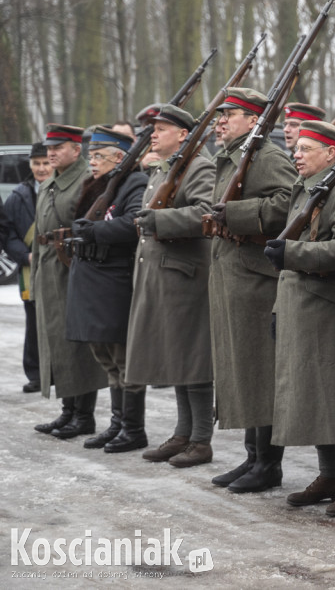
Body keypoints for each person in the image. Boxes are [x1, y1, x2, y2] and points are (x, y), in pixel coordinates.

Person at [264, 120, 335, 517]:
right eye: (298, 148)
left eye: (306, 148)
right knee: (312, 397)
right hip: (300, 307)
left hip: (332, 308)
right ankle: (331, 475)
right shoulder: (306, 188)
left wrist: (293, 254)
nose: (296, 153)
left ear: (332, 153)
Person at [206, 87, 293, 493]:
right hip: (232, 274)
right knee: (241, 368)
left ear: (254, 120)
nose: (221, 121)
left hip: (255, 277)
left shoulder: (268, 156)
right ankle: (252, 457)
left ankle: (268, 463)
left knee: (259, 371)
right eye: (221, 115)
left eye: (231, 114)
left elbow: (289, 204)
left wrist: (237, 214)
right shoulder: (233, 156)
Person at [127, 104, 216, 468]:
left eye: (161, 129)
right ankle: (183, 433)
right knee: (177, 355)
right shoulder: (167, 167)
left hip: (186, 275)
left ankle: (200, 440)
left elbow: (205, 212)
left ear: (183, 134)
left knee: (193, 358)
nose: (154, 134)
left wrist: (158, 220)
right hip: (164, 274)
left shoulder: (199, 166)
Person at [65, 126, 148, 452]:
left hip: (113, 280)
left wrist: (95, 231)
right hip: (91, 280)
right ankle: (117, 425)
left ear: (119, 157)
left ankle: (132, 429)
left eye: (99, 156)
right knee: (106, 358)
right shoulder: (98, 186)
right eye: (92, 155)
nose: (92, 161)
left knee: (123, 359)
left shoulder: (134, 183)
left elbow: (133, 223)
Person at [32, 125, 106, 439]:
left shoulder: (84, 180)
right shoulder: (49, 182)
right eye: (50, 147)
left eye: (59, 147)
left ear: (76, 150)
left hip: (72, 269)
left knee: (77, 345)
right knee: (56, 344)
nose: (51, 152)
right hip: (49, 269)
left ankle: (83, 416)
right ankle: (67, 411)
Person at [5, 142, 51, 393]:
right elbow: (9, 232)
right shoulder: (18, 196)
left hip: (60, 264)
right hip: (29, 267)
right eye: (37, 163)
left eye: (46, 163)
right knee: (33, 321)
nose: (41, 168)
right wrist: (25, 256)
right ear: (30, 165)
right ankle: (35, 373)